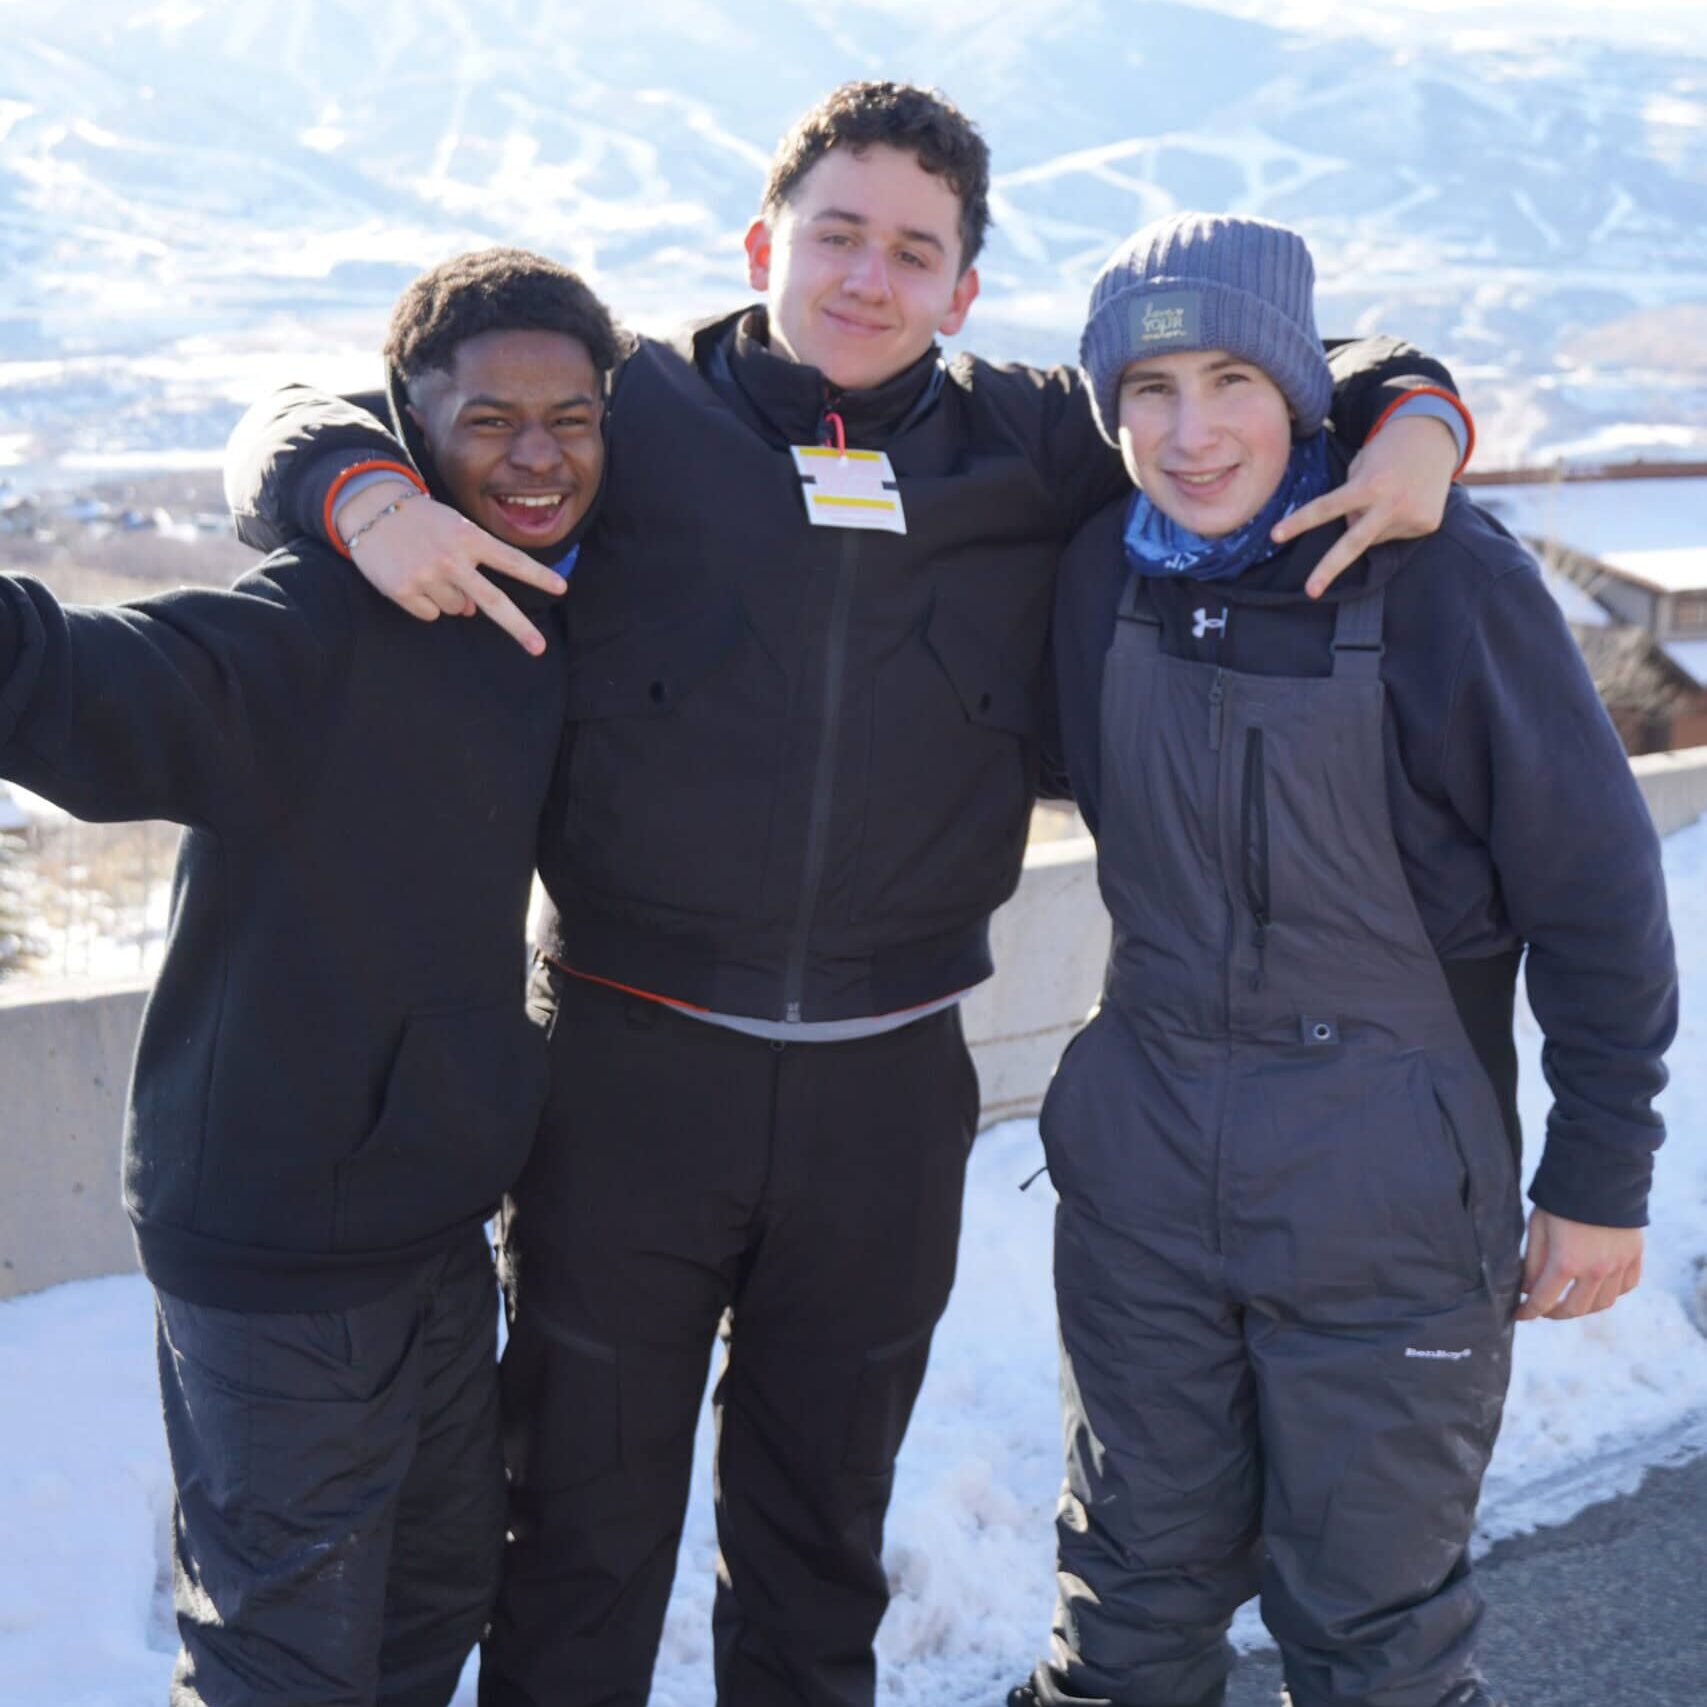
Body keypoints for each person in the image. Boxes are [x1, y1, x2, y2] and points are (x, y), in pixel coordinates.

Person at [223, 84, 1476, 1707]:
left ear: (964, 290)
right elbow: (310, 406)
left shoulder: (1032, 448)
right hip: (624, 1076)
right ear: (764, 245)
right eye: (837, 237)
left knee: (821, 1540)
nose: (868, 281)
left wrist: (1422, 409)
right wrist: (355, 488)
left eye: (914, 252)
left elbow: (1275, 386)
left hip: (887, 1098)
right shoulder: (633, 414)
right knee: (580, 1541)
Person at [1017, 212, 1677, 1707]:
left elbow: (1599, 898)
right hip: (1144, 1190)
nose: (1192, 435)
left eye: (1235, 380)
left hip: (1386, 1203)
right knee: (1123, 1609)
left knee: (1377, 1641)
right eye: (1152, 391)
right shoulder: (1088, 578)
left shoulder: (1447, 583)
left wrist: (1599, 1175)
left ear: (1306, 392)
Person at [0, 248, 618, 1707]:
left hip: (428, 1223)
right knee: (285, 1658)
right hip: (281, 1249)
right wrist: (351, 495)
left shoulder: (554, 598)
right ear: (411, 424)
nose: (534, 456)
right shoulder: (317, 628)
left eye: (570, 419)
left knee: (436, 1594)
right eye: (486, 421)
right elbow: (72, 684)